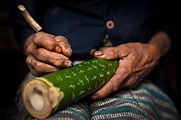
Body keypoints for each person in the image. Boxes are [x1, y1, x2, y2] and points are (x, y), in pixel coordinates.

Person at [11, 0, 179, 119]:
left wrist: (154, 50)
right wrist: (37, 49)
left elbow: (171, 20)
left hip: (137, 69)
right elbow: (23, 19)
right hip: (53, 70)